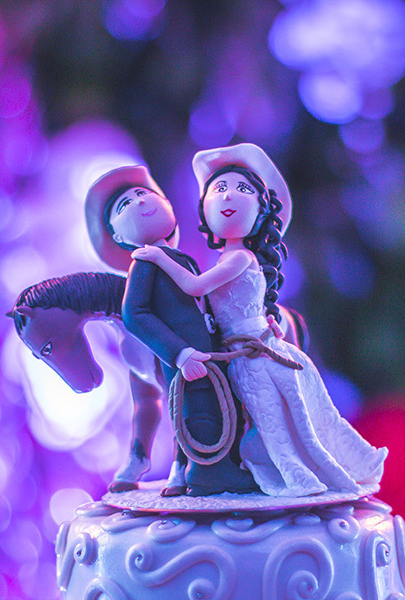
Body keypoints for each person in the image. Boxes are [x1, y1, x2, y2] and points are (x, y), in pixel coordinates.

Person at [131, 144, 387, 497]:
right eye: (219, 189)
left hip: (256, 359)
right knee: (276, 422)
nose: (228, 196)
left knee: (276, 425)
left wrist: (160, 257)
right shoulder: (229, 258)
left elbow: (194, 287)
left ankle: (300, 479)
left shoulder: (238, 258)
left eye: (242, 189)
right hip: (248, 353)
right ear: (204, 208)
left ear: (260, 211)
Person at [86, 164, 258, 496]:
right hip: (186, 358)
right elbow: (134, 315)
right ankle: (208, 472)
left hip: (211, 352)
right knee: (198, 410)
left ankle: (227, 464)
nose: (139, 202)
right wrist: (179, 354)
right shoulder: (144, 263)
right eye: (125, 205)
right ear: (118, 237)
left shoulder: (182, 260)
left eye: (143, 194)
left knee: (225, 406)